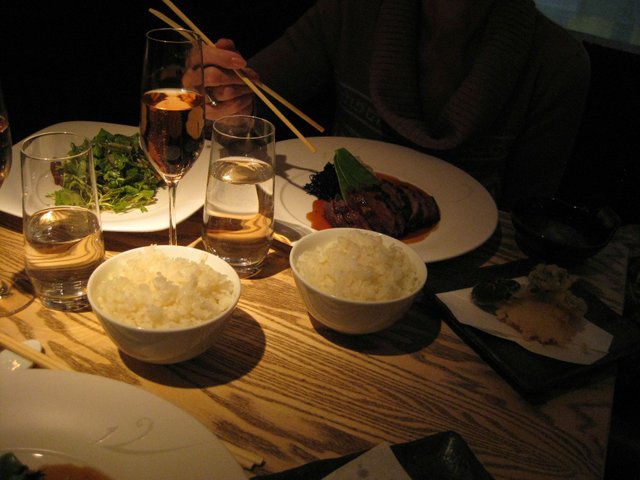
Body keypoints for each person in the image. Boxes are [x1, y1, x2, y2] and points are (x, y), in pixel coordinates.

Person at [202, 0, 590, 209]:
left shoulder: (556, 62)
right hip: (329, 240)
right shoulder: (349, 11)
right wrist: (217, 94)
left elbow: (528, 219)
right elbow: (246, 108)